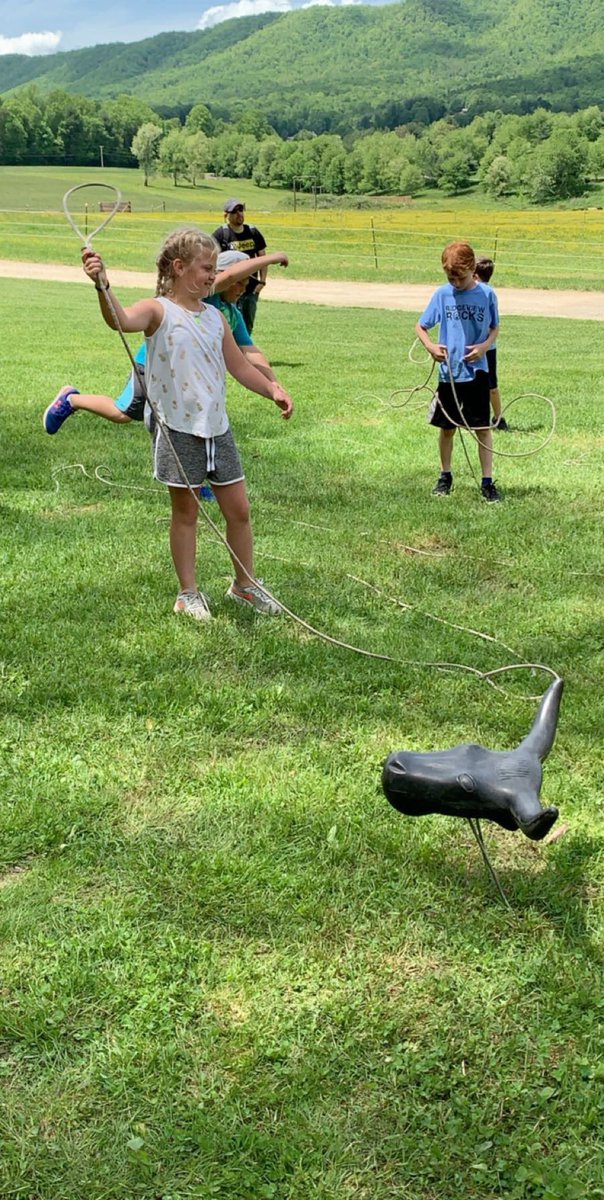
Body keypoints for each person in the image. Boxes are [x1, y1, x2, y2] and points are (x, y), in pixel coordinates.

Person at [81, 228, 293, 620]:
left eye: (214, 269)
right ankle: (188, 593)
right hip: (178, 430)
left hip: (218, 429)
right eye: (206, 268)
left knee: (240, 510)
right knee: (186, 514)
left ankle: (244, 585)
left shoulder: (215, 317)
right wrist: (102, 284)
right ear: (179, 268)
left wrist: (271, 390)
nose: (213, 276)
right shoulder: (158, 310)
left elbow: (239, 365)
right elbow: (121, 320)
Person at [43, 249, 289, 435]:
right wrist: (271, 257)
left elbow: (250, 351)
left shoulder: (231, 314)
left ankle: (197, 481)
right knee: (124, 413)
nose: (242, 289)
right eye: (240, 282)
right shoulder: (206, 297)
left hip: (184, 377)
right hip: (152, 366)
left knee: (191, 419)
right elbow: (230, 274)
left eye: (247, 285)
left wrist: (274, 385)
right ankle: (71, 399)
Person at [415, 240, 501, 503]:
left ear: (472, 268)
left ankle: (487, 482)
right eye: (449, 277)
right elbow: (420, 326)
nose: (455, 282)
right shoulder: (442, 295)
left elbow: (495, 328)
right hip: (449, 374)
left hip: (477, 372)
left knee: (482, 428)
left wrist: (484, 347)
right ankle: (445, 475)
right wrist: (431, 347)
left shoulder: (487, 294)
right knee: (447, 428)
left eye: (460, 277)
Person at [212, 199, 267, 334]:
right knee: (228, 327)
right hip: (228, 288)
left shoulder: (253, 232)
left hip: (250, 288)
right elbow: (211, 259)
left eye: (241, 210)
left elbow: (262, 258)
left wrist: (262, 282)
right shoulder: (221, 234)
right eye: (234, 211)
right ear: (226, 215)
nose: (239, 214)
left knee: (246, 327)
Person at [474, 255, 508, 431]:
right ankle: (497, 417)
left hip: (482, 347)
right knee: (491, 386)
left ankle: (495, 418)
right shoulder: (487, 292)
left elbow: (493, 323)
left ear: (475, 274)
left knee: (485, 385)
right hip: (485, 346)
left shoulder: (485, 293)